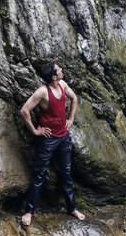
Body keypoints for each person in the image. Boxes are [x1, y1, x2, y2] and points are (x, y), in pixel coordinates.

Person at [20, 61, 85, 226]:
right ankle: (29, 211)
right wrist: (35, 130)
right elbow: (24, 111)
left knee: (67, 173)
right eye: (59, 69)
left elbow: (74, 98)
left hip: (64, 137)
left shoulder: (62, 84)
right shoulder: (43, 92)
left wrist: (70, 119)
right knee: (39, 175)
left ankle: (72, 208)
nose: (62, 69)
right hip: (48, 139)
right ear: (54, 76)